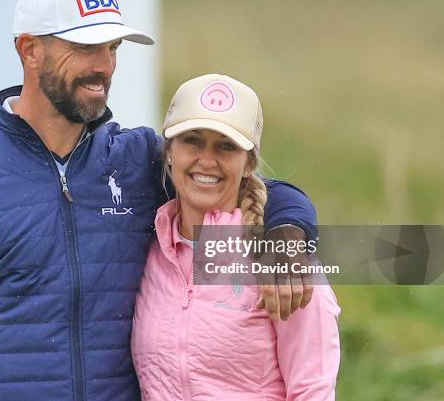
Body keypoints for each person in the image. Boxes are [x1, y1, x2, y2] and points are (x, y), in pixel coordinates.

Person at [0, 0, 319, 400]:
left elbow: (260, 188)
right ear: (30, 49)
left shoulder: (137, 160)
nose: (105, 66)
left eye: (112, 47)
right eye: (85, 47)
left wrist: (287, 237)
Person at [132, 74, 341, 400]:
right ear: (169, 151)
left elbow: (312, 390)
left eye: (226, 146)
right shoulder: (148, 249)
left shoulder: (283, 259)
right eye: (192, 140)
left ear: (249, 164)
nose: (207, 160)